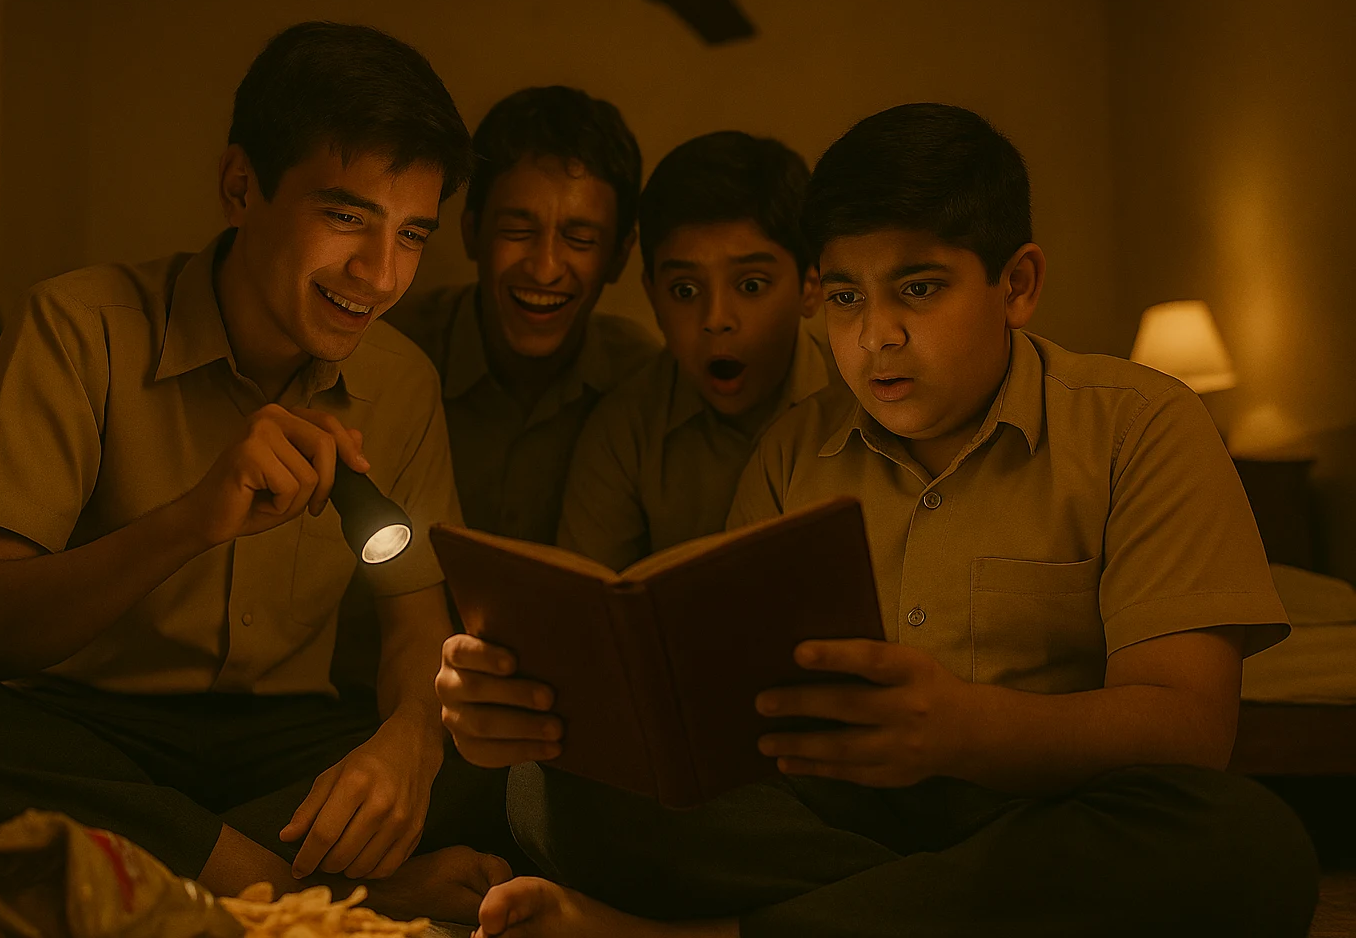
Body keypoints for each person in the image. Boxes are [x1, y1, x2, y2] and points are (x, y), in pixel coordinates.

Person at [435, 104, 1321, 937]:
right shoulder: (793, 450)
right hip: (840, 818)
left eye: (919, 290)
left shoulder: (1140, 422)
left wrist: (962, 727)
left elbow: (1188, 728)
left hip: (1051, 808)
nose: (876, 336)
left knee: (1246, 842)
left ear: (1017, 284)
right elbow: (741, 725)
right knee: (544, 791)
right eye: (849, 298)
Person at [0, 22, 513, 925]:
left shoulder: (400, 383)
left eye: (410, 234)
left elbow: (415, 626)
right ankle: (298, 893)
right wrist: (193, 520)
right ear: (240, 187)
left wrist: (409, 746)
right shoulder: (81, 327)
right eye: (345, 216)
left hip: (283, 750)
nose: (379, 276)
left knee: (516, 758)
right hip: (87, 730)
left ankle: (130, 860)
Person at [384, 86, 658, 545]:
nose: (545, 268)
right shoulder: (392, 357)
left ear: (619, 257)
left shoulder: (646, 386)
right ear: (472, 232)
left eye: (581, 239)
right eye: (517, 230)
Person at [556, 131, 832, 570]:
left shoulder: (863, 405)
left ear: (811, 287)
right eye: (685, 290)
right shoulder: (626, 431)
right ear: (653, 297)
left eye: (751, 285)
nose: (716, 317)